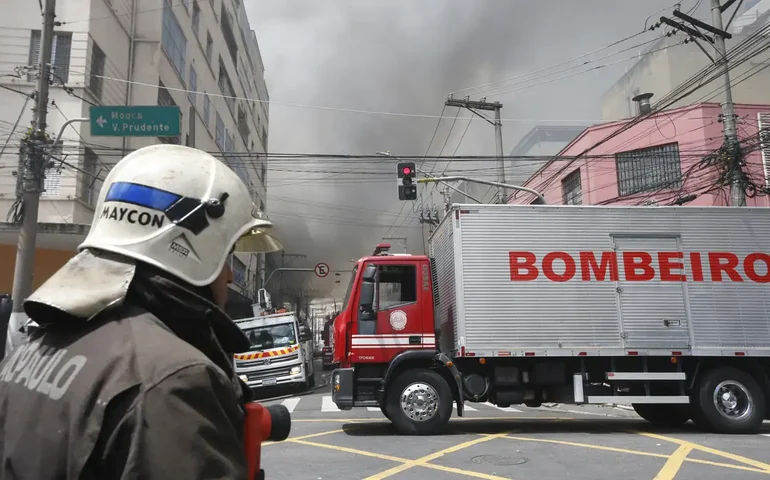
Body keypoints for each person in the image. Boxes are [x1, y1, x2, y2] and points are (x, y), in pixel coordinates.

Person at [0, 144, 282, 479]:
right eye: (228, 253)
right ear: (190, 245)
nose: (231, 274)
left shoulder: (30, 351)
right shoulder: (173, 379)